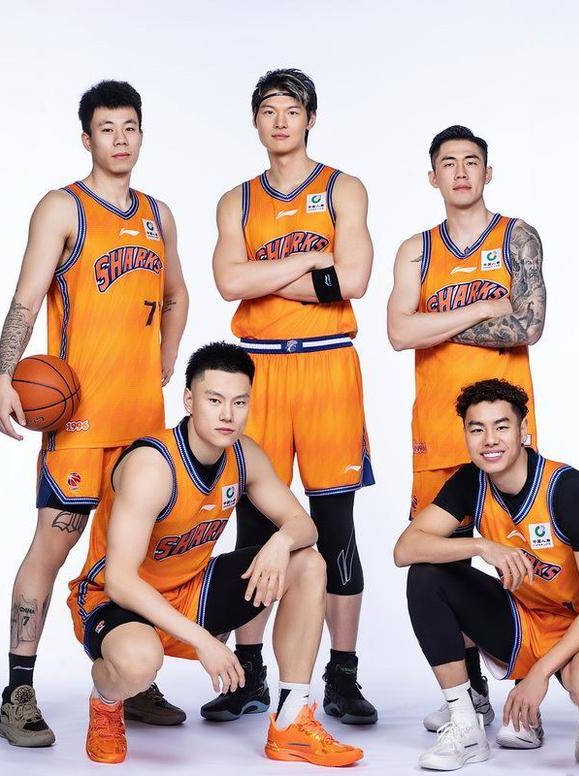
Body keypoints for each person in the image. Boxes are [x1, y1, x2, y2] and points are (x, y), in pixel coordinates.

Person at [0, 80, 190, 746]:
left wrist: (166, 357)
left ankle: (131, 677)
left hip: (142, 426)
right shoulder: (62, 208)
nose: (120, 139)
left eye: (130, 127)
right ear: (87, 138)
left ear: (142, 135)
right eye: (107, 128)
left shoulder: (159, 215)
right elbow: (26, 299)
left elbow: (178, 294)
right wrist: (3, 374)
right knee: (53, 546)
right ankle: (18, 691)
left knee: (133, 556)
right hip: (76, 423)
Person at [68, 343, 364, 767]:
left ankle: (291, 719)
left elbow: (305, 526)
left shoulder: (245, 455)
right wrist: (204, 641)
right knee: (138, 663)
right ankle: (106, 701)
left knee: (308, 564)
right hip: (116, 600)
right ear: (189, 400)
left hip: (190, 591)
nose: (228, 415)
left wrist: (280, 543)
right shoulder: (152, 465)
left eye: (239, 402)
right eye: (214, 400)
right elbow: (120, 581)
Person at [207, 68, 377, 724]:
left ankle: (343, 675)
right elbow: (228, 283)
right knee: (254, 521)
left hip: (329, 365)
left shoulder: (342, 188)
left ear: (311, 118)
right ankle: (248, 674)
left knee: (335, 526)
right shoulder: (236, 201)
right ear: (256, 120)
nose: (280, 121)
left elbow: (352, 279)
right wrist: (309, 263)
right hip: (260, 372)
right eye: (269, 110)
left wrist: (262, 277)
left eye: (292, 110)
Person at [386, 125, 546, 732]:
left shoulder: (516, 237)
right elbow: (398, 332)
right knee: (439, 564)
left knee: (525, 561)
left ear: (488, 172)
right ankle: (471, 696)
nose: (460, 172)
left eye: (471, 161)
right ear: (433, 177)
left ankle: (526, 697)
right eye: (448, 163)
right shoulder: (417, 250)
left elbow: (529, 325)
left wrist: (435, 320)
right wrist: (483, 307)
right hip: (438, 430)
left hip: (505, 432)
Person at [394, 379, 579, 769]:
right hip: (525, 618)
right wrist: (481, 546)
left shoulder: (567, 489)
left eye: (501, 426)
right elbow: (405, 549)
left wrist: (539, 674)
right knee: (427, 574)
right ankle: (465, 722)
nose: (489, 440)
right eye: (477, 429)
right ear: (466, 435)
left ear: (524, 430)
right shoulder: (470, 481)